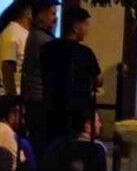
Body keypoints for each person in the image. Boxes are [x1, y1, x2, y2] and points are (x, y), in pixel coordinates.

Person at [38, 8, 102, 137]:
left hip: (51, 107)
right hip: (77, 111)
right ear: (76, 27)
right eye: (85, 25)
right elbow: (98, 80)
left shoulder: (47, 48)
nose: (87, 29)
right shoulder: (85, 53)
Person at [20, 0, 59, 152]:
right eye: (52, 13)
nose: (55, 18)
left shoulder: (38, 36)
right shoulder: (41, 39)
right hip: (40, 99)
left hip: (36, 97)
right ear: (41, 15)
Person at [40, 109, 106, 171]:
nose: (100, 125)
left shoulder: (61, 146)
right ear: (87, 126)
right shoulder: (97, 148)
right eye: (98, 121)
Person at [0, 0, 33, 96]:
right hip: (16, 96)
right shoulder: (12, 33)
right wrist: (12, 98)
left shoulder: (27, 33)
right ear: (29, 13)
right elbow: (7, 67)